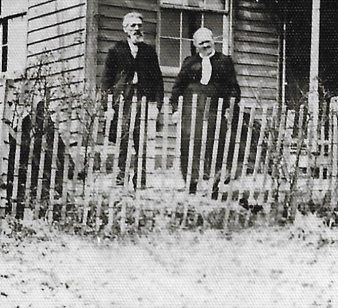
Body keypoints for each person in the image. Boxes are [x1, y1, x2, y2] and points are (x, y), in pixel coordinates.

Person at [171, 27, 241, 195]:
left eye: (207, 41)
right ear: (196, 46)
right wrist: (176, 109)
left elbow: (233, 87)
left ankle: (213, 185)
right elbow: (178, 87)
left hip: (214, 110)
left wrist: (230, 108)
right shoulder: (189, 62)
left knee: (214, 145)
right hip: (191, 111)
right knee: (190, 145)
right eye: (201, 43)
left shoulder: (224, 61)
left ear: (213, 41)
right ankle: (192, 183)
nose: (205, 45)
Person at [100, 12, 164, 187]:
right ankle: (120, 179)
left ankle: (140, 180)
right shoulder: (116, 51)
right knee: (122, 139)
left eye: (139, 26)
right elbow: (106, 80)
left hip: (143, 100)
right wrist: (108, 106)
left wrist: (157, 106)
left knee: (141, 141)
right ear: (125, 29)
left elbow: (158, 81)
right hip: (123, 102)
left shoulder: (149, 52)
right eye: (133, 26)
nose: (137, 29)